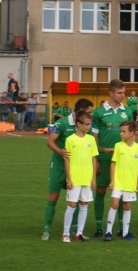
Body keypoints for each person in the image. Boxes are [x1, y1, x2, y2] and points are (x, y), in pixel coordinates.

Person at [41, 97, 94, 240]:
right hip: (59, 166)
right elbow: (50, 141)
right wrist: (60, 151)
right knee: (53, 196)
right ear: (79, 112)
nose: (91, 115)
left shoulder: (86, 126)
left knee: (77, 199)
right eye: (89, 112)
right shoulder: (62, 123)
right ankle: (47, 229)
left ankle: (76, 231)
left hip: (77, 169)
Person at [91, 78, 130, 237]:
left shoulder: (127, 111)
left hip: (122, 160)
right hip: (104, 158)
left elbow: (130, 135)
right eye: (119, 93)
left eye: (124, 92)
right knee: (101, 191)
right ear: (111, 93)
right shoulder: (99, 113)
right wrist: (95, 159)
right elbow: (93, 137)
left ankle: (121, 228)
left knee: (121, 193)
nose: (122, 95)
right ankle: (99, 227)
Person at [62, 110, 99, 242]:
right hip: (75, 178)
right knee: (72, 205)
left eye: (90, 124)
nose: (89, 127)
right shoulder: (70, 140)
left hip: (87, 178)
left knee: (84, 204)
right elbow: (67, 160)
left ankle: (79, 233)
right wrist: (69, 178)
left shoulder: (91, 139)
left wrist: (93, 179)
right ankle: (66, 233)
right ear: (79, 124)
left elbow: (94, 159)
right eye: (87, 124)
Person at [104, 120, 138, 241]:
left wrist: (137, 182)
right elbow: (113, 163)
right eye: (120, 131)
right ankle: (108, 232)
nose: (121, 134)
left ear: (132, 133)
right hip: (118, 181)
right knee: (114, 204)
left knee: (127, 206)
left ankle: (125, 233)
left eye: (123, 131)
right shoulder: (118, 146)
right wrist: (112, 180)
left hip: (130, 182)